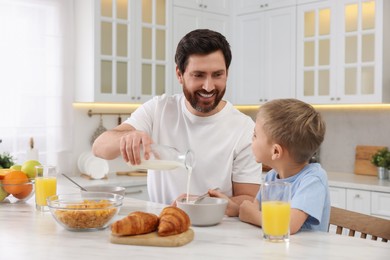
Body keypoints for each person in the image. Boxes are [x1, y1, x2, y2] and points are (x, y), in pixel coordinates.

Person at [92, 29, 262, 206]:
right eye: (198, 75)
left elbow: (248, 200)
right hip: (162, 227)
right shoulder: (159, 108)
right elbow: (99, 147)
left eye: (217, 75)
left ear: (227, 73)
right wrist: (126, 137)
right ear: (179, 74)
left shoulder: (244, 129)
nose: (209, 86)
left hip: (219, 230)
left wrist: (200, 204)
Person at [210, 98, 330, 234]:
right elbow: (255, 211)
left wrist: (251, 214)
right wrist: (237, 209)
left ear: (276, 151)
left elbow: (288, 225)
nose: (251, 140)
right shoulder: (272, 176)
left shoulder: (313, 179)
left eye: (255, 135)